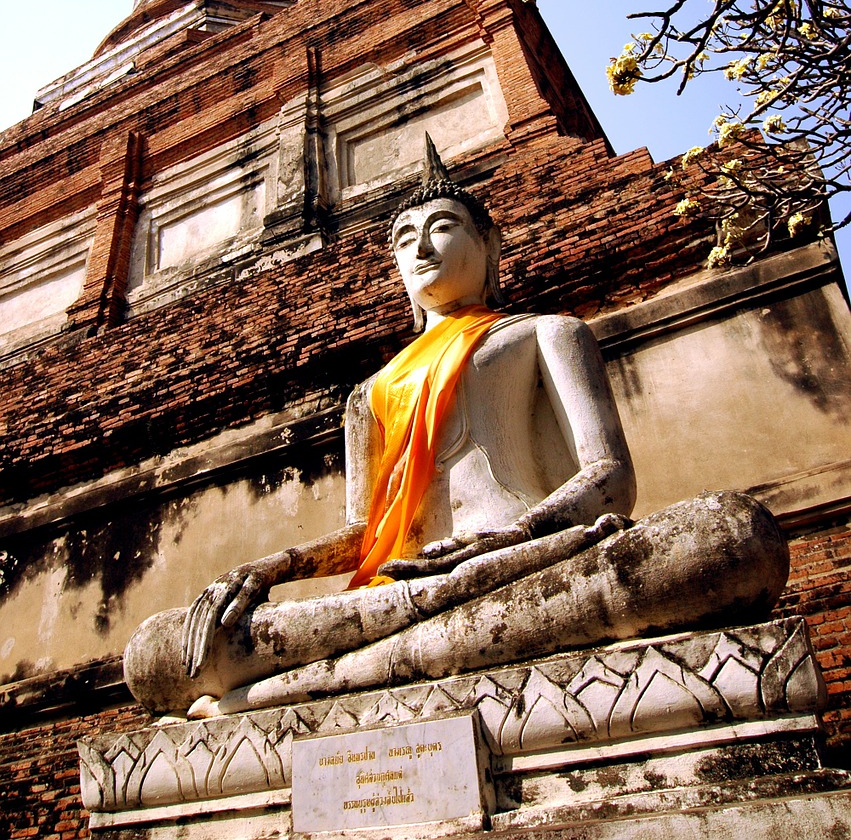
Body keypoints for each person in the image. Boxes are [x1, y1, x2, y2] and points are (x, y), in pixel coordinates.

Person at [123, 140, 788, 718]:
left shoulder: (542, 333)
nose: (419, 247)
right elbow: (366, 533)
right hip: (398, 592)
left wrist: (513, 536)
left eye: (441, 226)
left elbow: (609, 480)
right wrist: (272, 567)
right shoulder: (368, 395)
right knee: (166, 652)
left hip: (521, 563)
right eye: (402, 238)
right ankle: (371, 660)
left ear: (489, 243)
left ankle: (294, 690)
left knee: (722, 540)